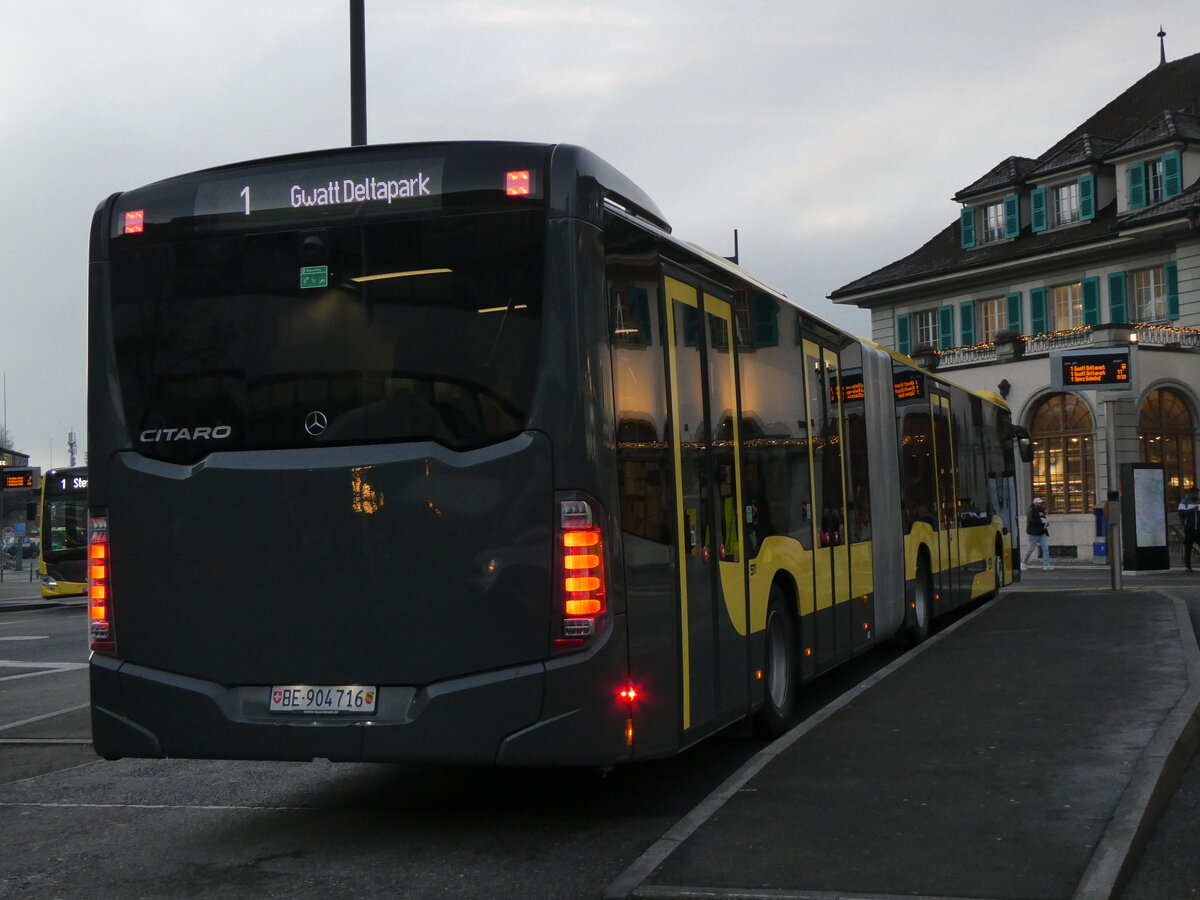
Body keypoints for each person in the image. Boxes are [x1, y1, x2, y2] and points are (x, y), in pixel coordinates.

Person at [1021, 497, 1053, 571]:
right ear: (1035, 503)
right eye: (1039, 503)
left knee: (1045, 549)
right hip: (1033, 533)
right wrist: (1041, 521)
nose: (1040, 504)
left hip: (1042, 532)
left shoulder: (1041, 510)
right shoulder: (1031, 510)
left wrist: (1046, 522)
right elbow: (1032, 520)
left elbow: (1043, 518)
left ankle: (1046, 564)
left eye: (1041, 503)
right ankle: (1023, 563)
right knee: (1030, 549)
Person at [1179, 490, 1200, 571]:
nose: (1196, 495)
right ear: (1190, 494)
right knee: (1188, 546)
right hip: (1189, 528)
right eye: (1194, 493)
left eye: (1197, 493)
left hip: (1198, 528)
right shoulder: (1184, 502)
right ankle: (1188, 565)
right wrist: (1192, 510)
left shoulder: (1198, 502)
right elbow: (1181, 513)